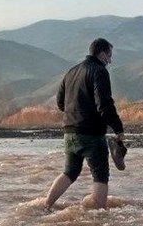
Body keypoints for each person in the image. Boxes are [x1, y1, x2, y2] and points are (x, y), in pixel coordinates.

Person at [43, 37, 125, 211]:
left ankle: (46, 205)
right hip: (91, 134)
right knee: (101, 174)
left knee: (70, 171)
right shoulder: (99, 71)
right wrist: (118, 129)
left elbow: (60, 103)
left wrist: (76, 112)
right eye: (109, 56)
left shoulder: (71, 72)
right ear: (102, 54)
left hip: (70, 133)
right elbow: (104, 104)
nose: (110, 60)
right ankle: (99, 217)